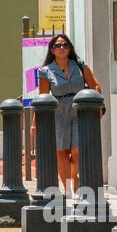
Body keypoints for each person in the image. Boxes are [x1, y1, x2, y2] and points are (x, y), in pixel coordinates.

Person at [34, 33, 100, 197]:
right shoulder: (46, 71)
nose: (62, 48)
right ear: (52, 50)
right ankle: (68, 188)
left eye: (65, 45)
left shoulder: (79, 65)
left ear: (69, 48)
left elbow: (95, 86)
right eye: (58, 46)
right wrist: (35, 123)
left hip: (79, 110)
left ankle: (75, 178)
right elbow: (42, 96)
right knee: (61, 152)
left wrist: (95, 107)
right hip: (58, 112)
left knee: (78, 150)